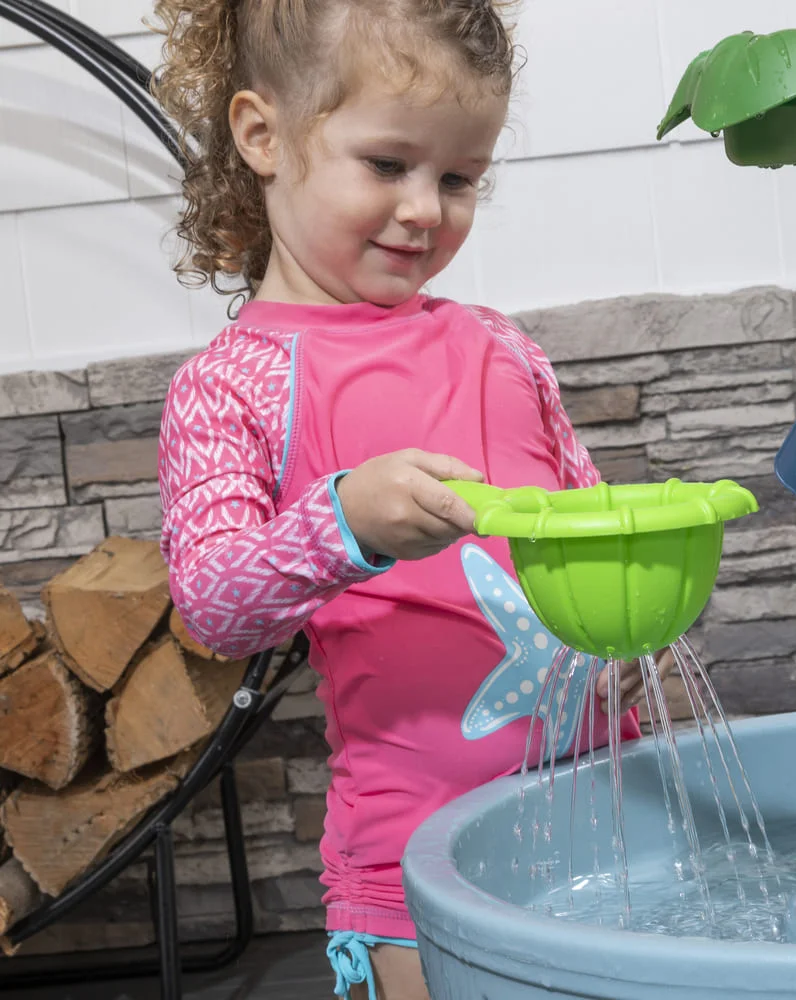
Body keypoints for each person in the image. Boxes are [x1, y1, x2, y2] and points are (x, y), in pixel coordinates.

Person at [152, 2, 662, 996]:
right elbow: (212, 606)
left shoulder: (500, 346)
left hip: (612, 810)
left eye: (459, 177)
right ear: (263, 135)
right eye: (389, 164)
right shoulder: (235, 383)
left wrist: (623, 643)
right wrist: (344, 521)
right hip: (414, 858)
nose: (427, 207)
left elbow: (590, 532)